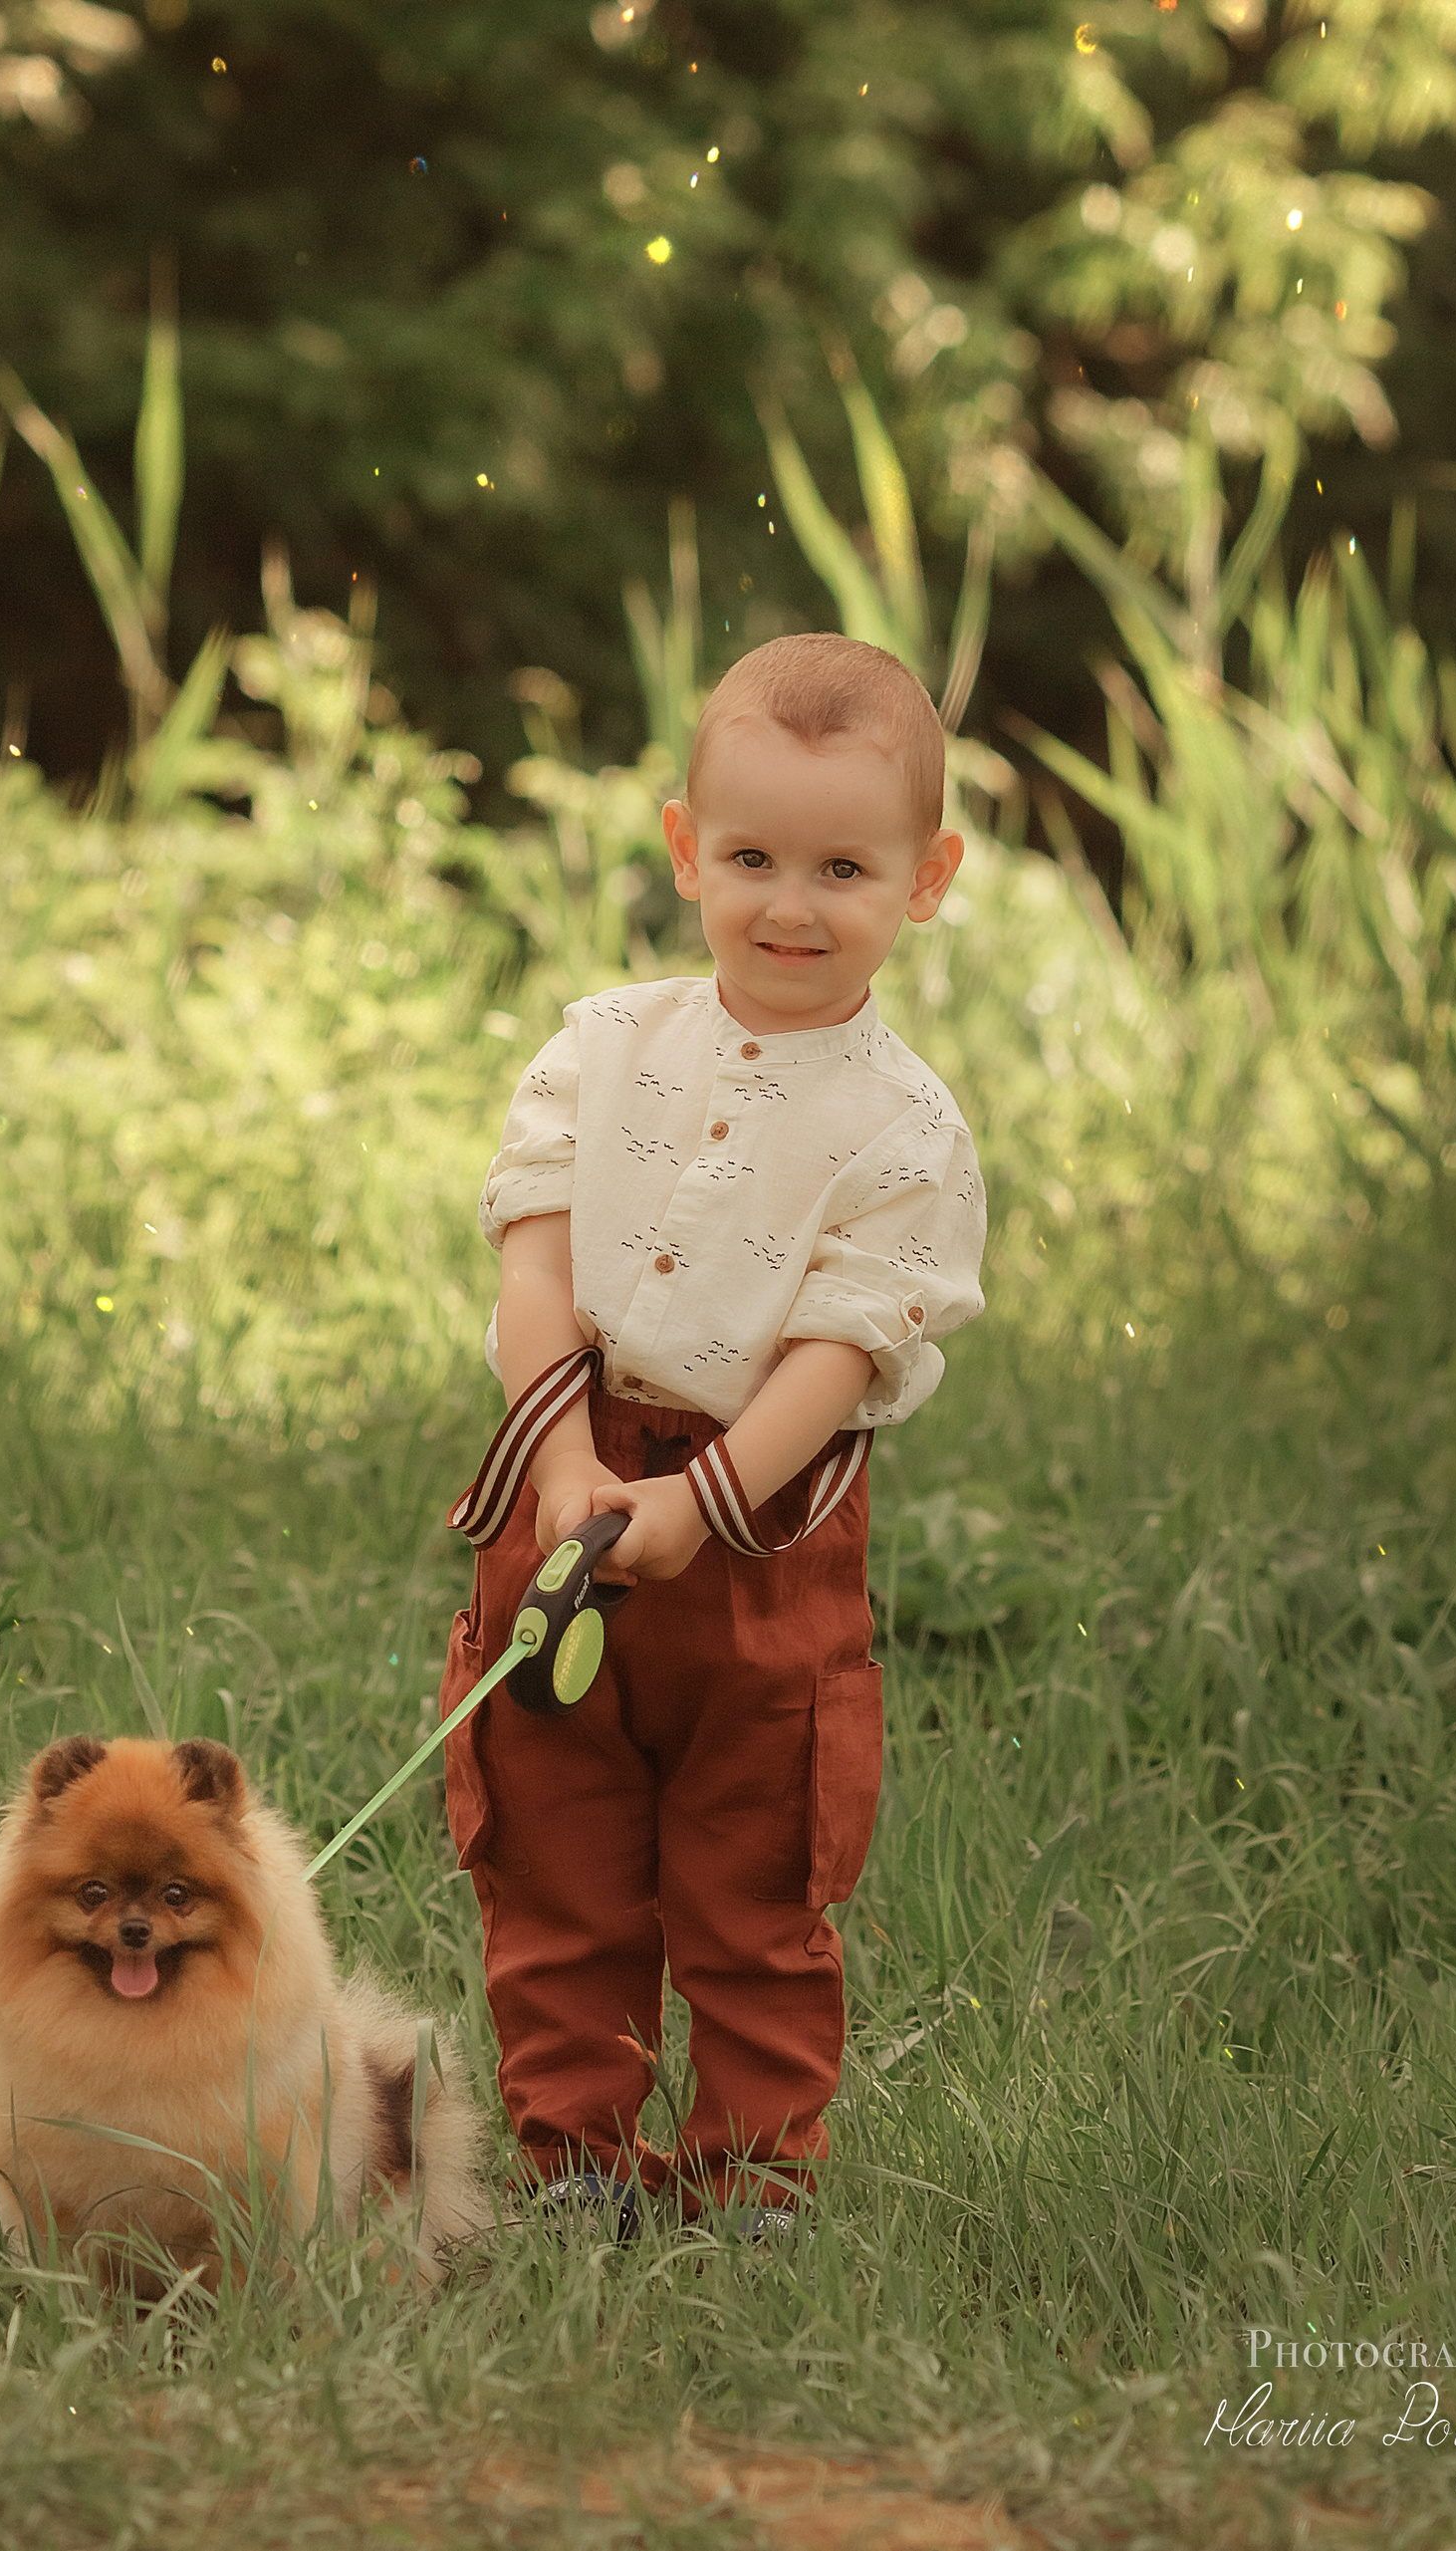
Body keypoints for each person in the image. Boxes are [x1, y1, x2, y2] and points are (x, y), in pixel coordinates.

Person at [436, 630, 987, 2236]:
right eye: (749, 856)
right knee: (553, 1845)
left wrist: (699, 1503)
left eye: (843, 865)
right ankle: (581, 2159)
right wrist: (568, 1477)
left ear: (926, 877)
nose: (790, 905)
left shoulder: (905, 1126)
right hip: (568, 1470)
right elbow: (535, 1265)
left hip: (763, 1524)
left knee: (754, 1869)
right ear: (685, 847)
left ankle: (754, 2174)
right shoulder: (599, 1047)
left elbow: (837, 1352)